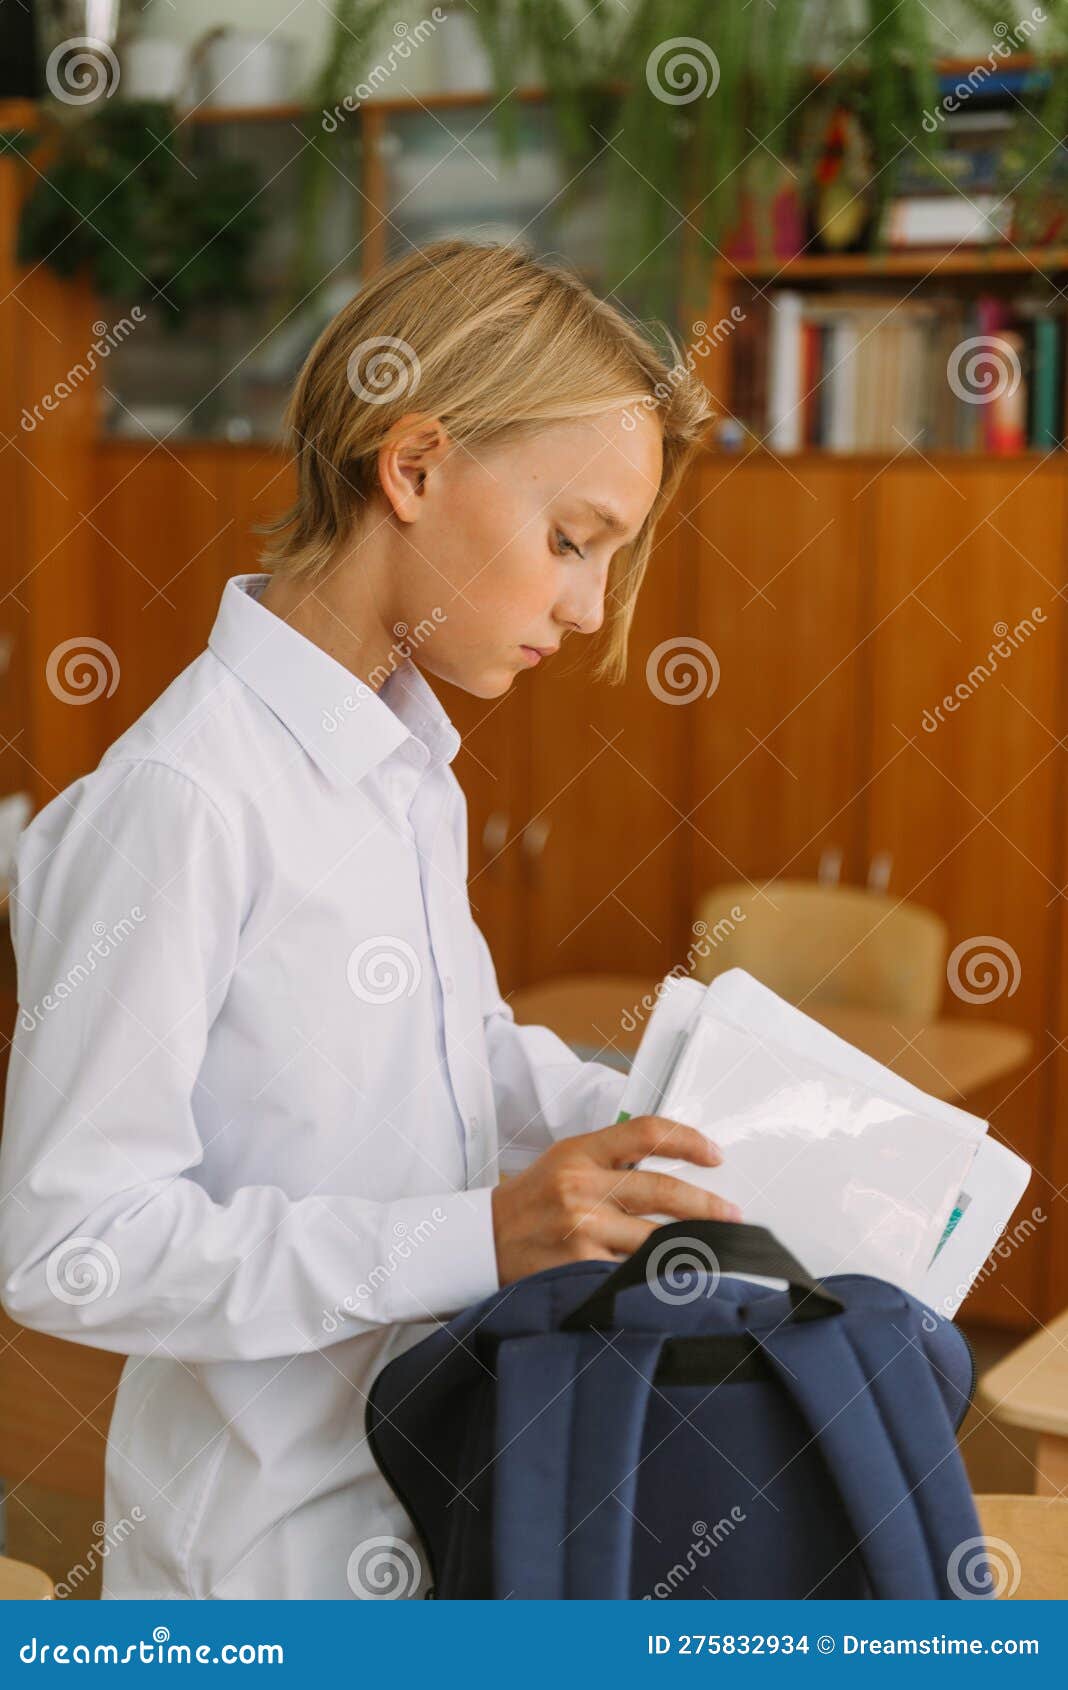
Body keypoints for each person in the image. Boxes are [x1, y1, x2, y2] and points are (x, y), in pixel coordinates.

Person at [0, 238, 738, 1600]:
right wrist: (480, 1234)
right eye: (572, 541)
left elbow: (447, 1058)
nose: (585, 608)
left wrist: (653, 1112)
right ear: (411, 468)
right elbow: (64, 1243)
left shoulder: (405, 767)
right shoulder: (185, 799)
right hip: (263, 1564)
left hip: (442, 1498)